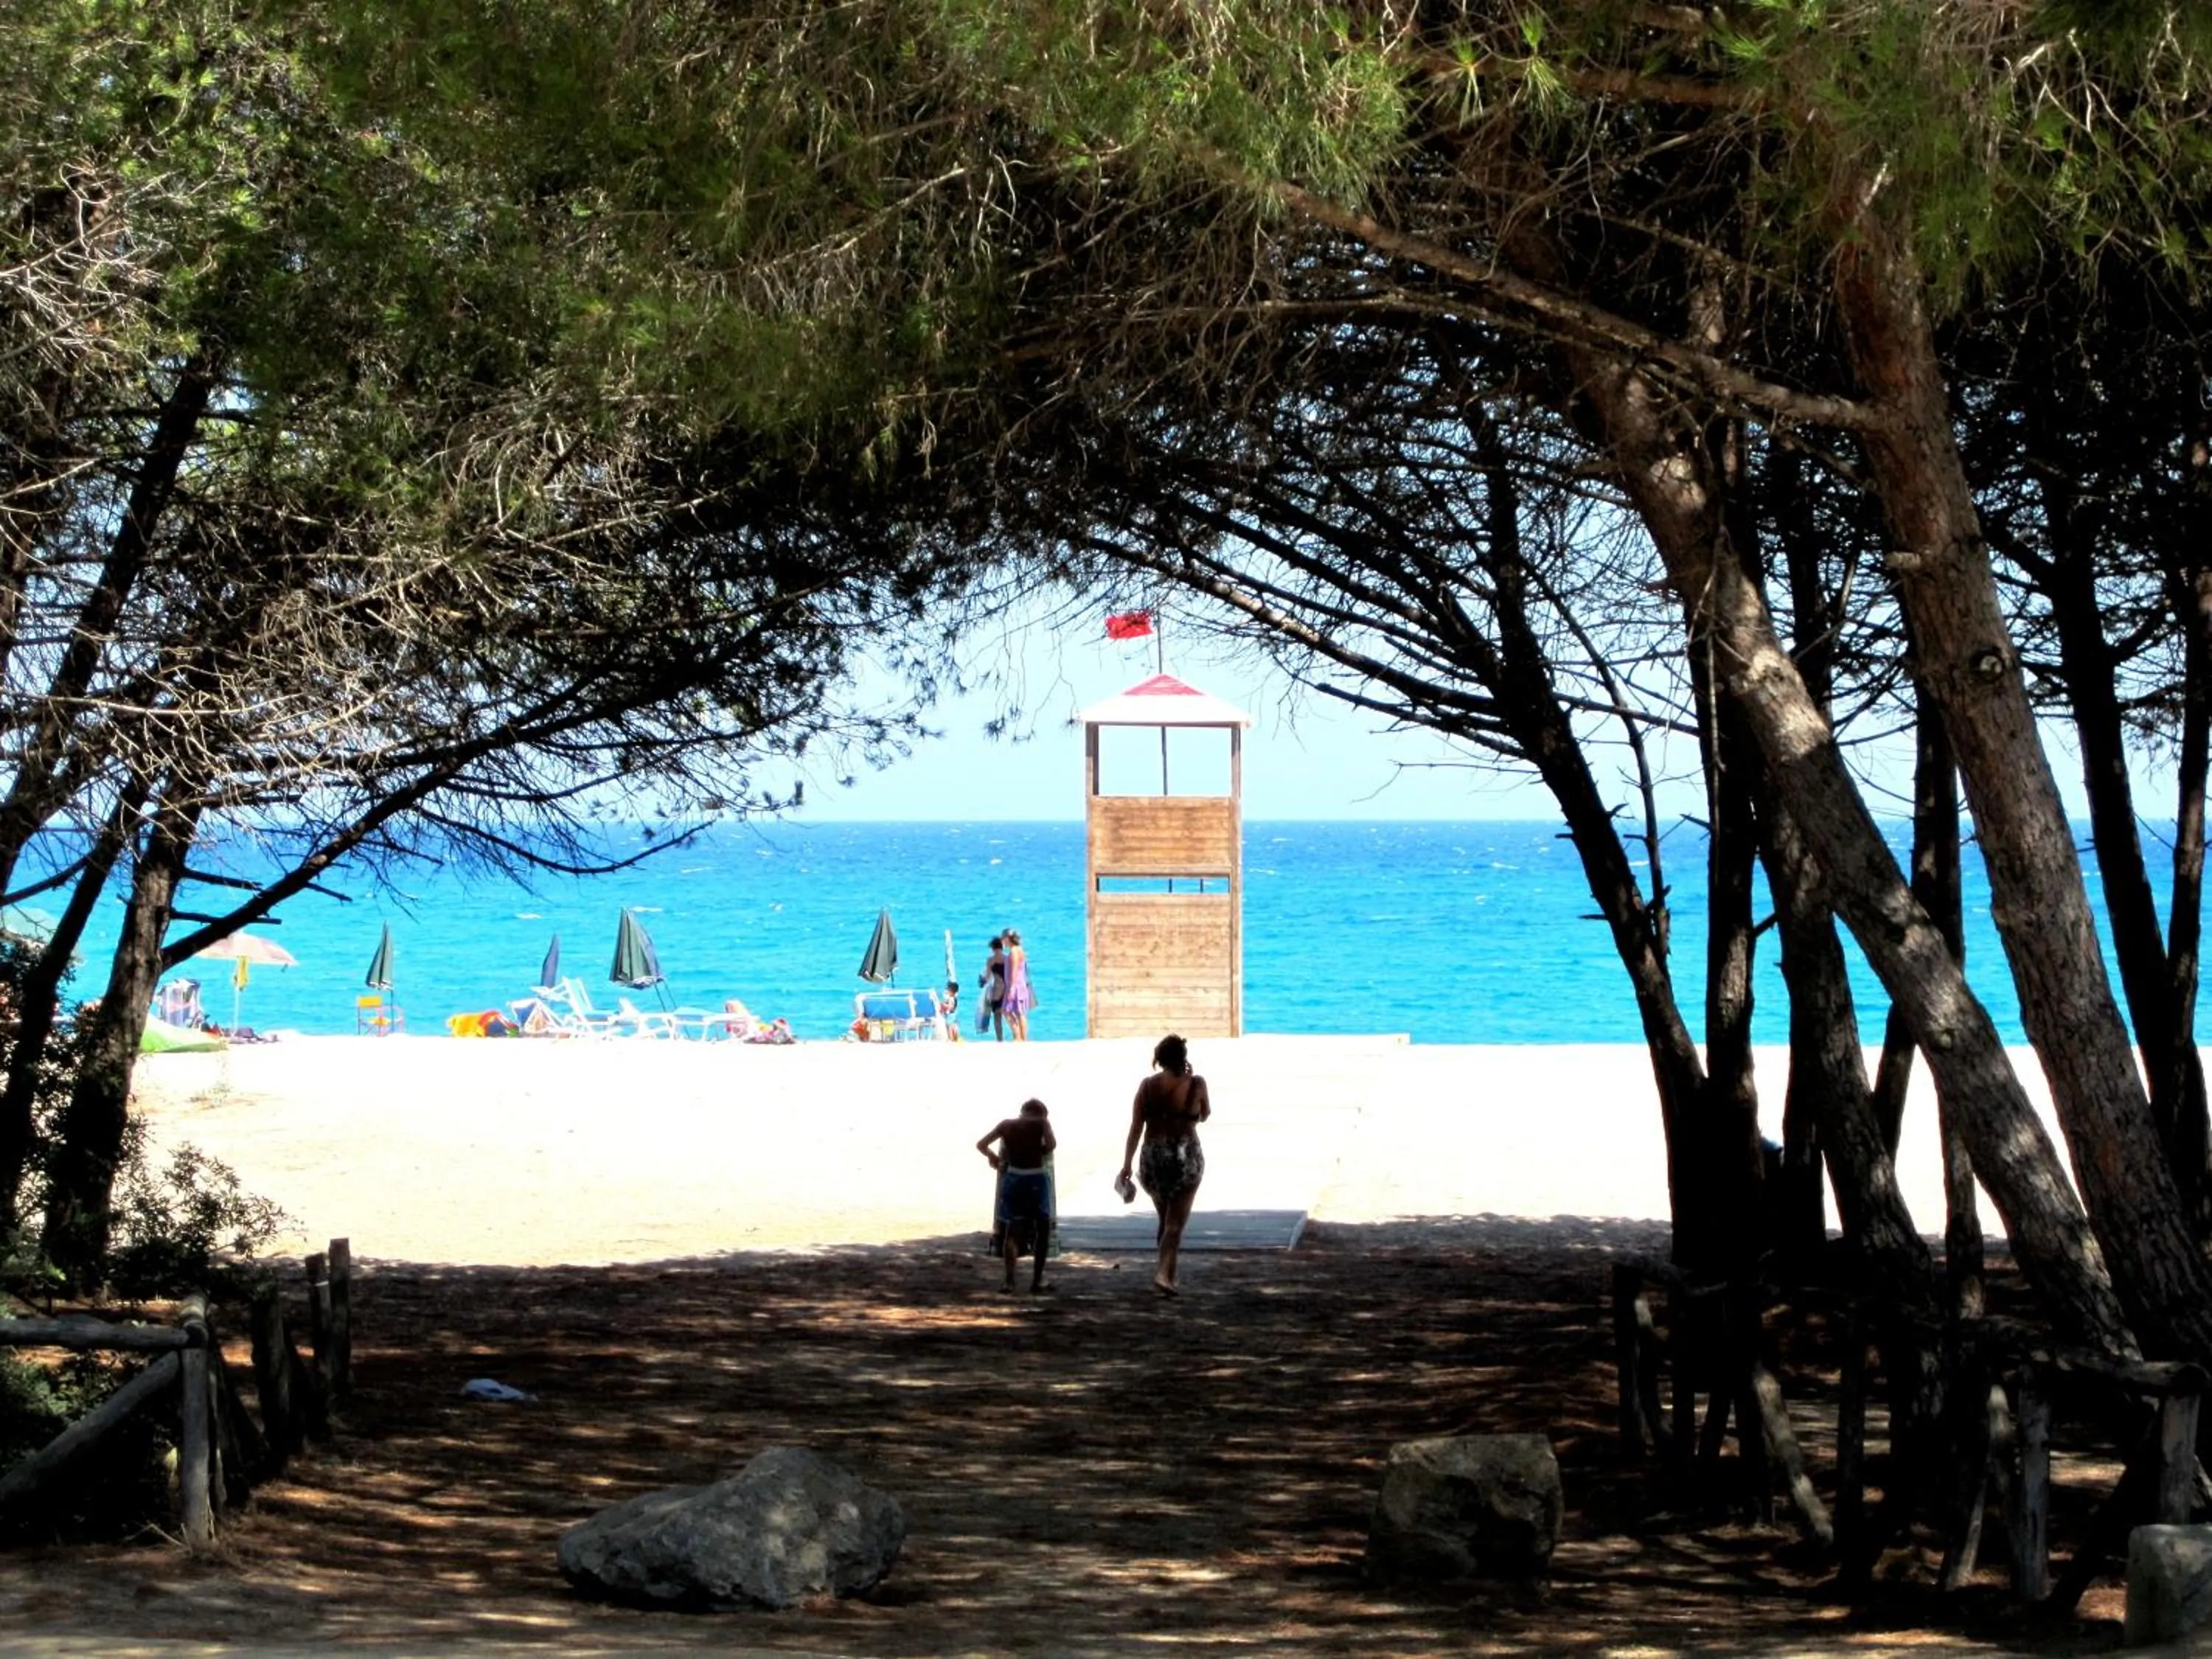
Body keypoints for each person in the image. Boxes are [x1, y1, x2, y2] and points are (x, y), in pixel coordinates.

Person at [1119, 1033, 1209, 1297]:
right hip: (1185, 1155)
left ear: (1159, 1059)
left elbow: (1136, 1127)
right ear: (1184, 1058)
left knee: (1166, 1219)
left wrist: (1126, 1164)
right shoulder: (1197, 1084)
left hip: (1153, 1157)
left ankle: (1169, 1275)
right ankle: (1162, 1275)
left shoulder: (1147, 1087)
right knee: (1175, 1224)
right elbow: (1204, 1115)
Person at [977, 1099, 1057, 1293]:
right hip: (1035, 1177)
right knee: (1043, 1228)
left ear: (1023, 1112)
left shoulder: (1006, 1125)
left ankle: (1009, 1281)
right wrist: (1038, 1150)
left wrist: (993, 1158)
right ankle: (1037, 1281)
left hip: (1013, 1177)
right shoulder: (1041, 1123)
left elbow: (981, 1144)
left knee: (1012, 1231)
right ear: (1041, 1113)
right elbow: (1052, 1145)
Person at [999, 928, 1033, 1042]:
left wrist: (1011, 988)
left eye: (1003, 939)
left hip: (1015, 986)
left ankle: (1018, 1037)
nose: (1002, 941)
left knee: (1007, 1011)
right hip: (1020, 985)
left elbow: (1014, 970)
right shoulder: (1019, 950)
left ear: (1008, 939)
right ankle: (1023, 1038)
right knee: (1020, 1013)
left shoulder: (1014, 951)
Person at [980, 936, 1007, 1041]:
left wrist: (982, 981)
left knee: (997, 1017)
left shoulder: (990, 960)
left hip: (997, 992)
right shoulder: (1007, 959)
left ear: (993, 948)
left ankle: (1000, 1040)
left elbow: (987, 977)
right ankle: (1018, 1036)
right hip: (1008, 991)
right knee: (1011, 1017)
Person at [941, 978, 962, 1043]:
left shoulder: (952, 999)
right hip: (952, 1014)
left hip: (951, 1015)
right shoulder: (953, 998)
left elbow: (951, 1007)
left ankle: (951, 1038)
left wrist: (944, 1006)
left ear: (951, 991)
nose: (947, 991)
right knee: (951, 1026)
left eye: (948, 990)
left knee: (949, 1027)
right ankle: (953, 1038)